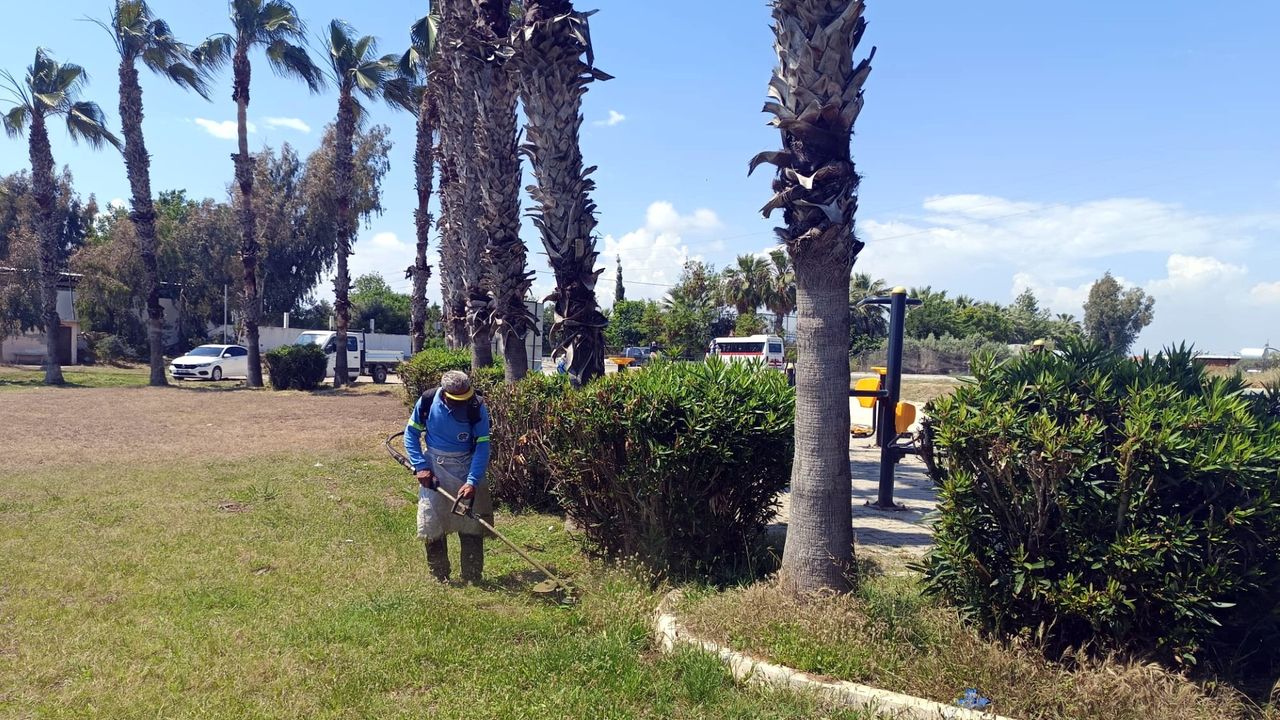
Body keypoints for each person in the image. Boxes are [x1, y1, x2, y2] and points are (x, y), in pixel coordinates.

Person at [404, 370, 493, 584]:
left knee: (471, 523)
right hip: (435, 467)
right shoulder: (427, 401)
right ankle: (439, 575)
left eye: (465, 397)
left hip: (468, 466)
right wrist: (421, 467)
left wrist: (472, 481)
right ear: (444, 395)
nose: (463, 403)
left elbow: (482, 445)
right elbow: (411, 434)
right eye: (456, 400)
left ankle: (472, 576)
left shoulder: (476, 406)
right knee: (431, 522)